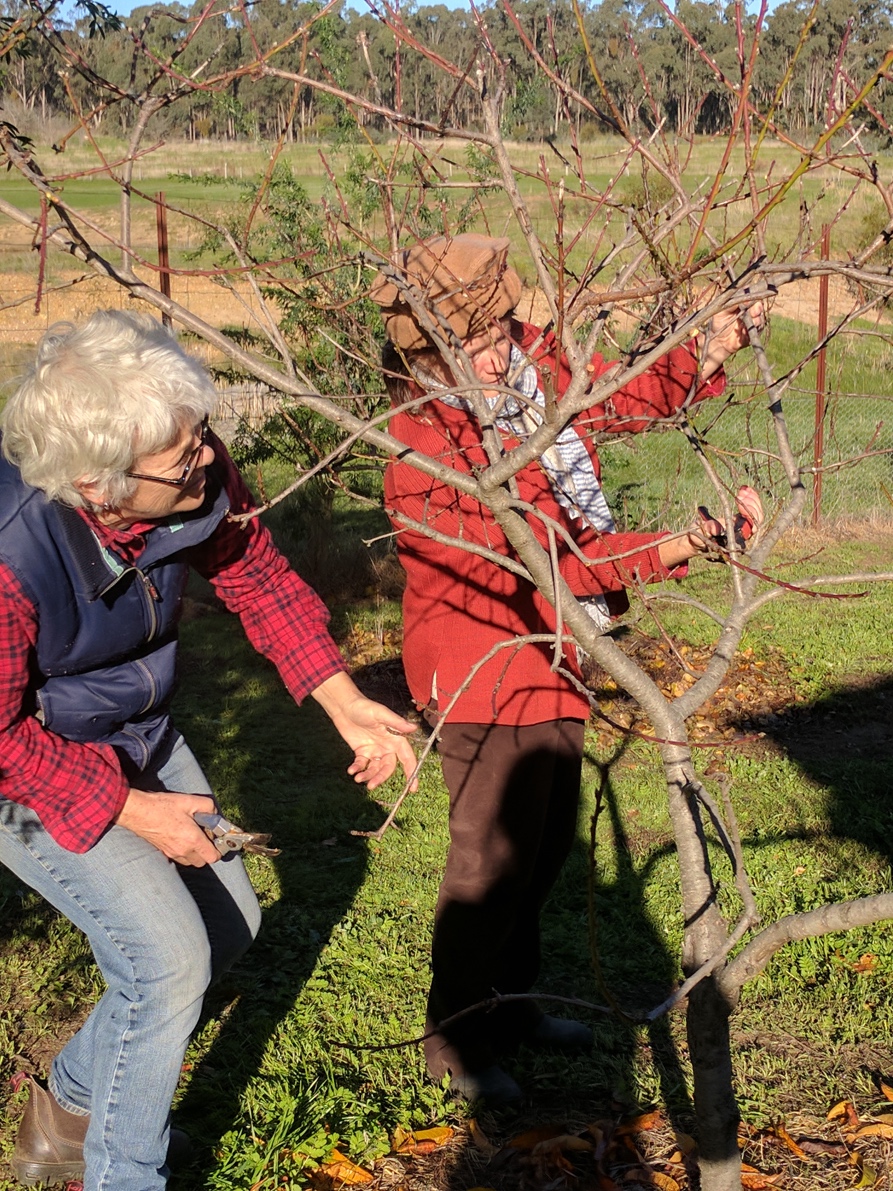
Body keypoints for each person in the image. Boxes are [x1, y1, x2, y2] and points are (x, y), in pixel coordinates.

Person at [0, 310, 418, 1191]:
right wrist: (133, 809)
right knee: (167, 963)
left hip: (137, 729)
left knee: (230, 927)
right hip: (32, 768)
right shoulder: (10, 555)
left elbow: (254, 571)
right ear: (98, 483)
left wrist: (343, 701)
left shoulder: (191, 466)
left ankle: (72, 1103)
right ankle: (122, 1174)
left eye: (201, 434)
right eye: (182, 454)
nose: (206, 458)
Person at [371, 234, 763, 1104]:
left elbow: (609, 404)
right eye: (473, 343)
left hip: (558, 649)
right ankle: (455, 1039)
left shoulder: (528, 368)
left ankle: (508, 1006)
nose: (498, 350)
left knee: (544, 846)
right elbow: (547, 563)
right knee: (489, 858)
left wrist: (703, 349)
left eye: (499, 329)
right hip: (484, 662)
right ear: (427, 354)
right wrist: (681, 543)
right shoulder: (423, 450)